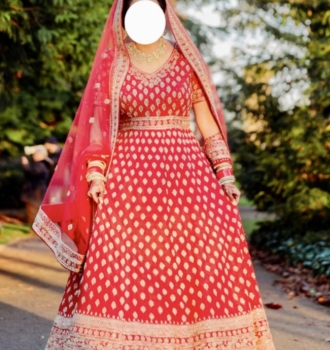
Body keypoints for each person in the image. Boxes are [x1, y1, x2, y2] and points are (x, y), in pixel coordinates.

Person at [33, 0, 276, 349]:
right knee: (123, 261)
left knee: (201, 257)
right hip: (129, 178)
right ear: (124, 14)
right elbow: (98, 130)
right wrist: (97, 175)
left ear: (164, 13)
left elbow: (207, 127)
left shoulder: (185, 60)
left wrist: (225, 175)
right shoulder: (112, 63)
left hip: (187, 176)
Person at [21, 145, 50, 225]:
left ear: (41, 155)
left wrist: (25, 164)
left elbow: (32, 173)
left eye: (35, 154)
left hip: (34, 195)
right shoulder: (44, 164)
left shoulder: (40, 165)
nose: (33, 156)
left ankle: (35, 229)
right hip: (37, 194)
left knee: (32, 211)